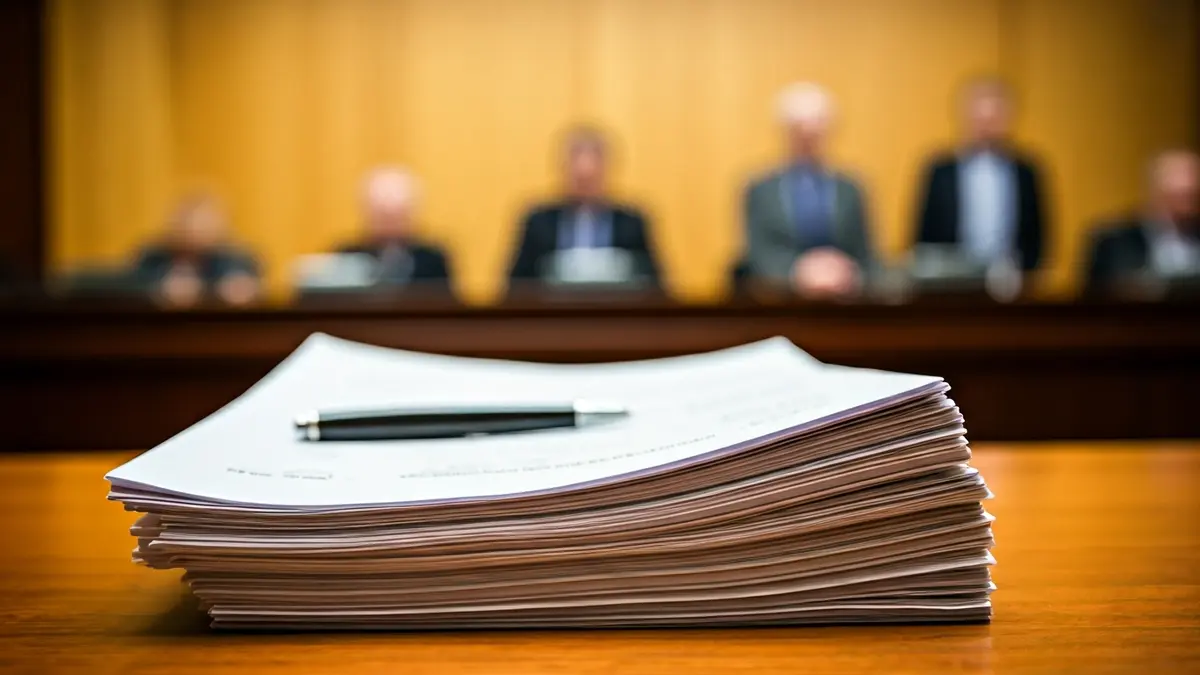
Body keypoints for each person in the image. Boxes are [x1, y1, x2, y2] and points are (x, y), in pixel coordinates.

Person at [743, 82, 873, 299]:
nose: (808, 137)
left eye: (816, 130)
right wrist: (799, 273)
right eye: (800, 130)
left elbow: (867, 253)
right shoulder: (761, 189)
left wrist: (846, 272)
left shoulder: (850, 188)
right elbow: (758, 253)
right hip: (781, 300)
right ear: (786, 132)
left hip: (846, 299)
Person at [913, 77, 1047, 273]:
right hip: (950, 281)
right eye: (979, 119)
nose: (986, 127)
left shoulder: (1025, 171)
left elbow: (1038, 233)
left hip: (1012, 280)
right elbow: (923, 234)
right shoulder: (941, 170)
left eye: (993, 119)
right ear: (965, 118)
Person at [508, 126, 660, 285]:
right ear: (564, 171)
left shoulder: (632, 223)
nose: (585, 186)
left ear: (605, 172)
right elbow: (516, 286)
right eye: (579, 179)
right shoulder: (539, 222)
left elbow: (655, 286)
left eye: (591, 179)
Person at [1085, 150, 1200, 294]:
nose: (1188, 205)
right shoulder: (1113, 242)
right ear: (1156, 192)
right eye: (1181, 196)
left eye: (1193, 195)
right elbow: (1093, 299)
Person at [132, 195, 261, 307]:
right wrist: (158, 288)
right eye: (187, 219)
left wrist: (230, 288)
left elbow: (251, 283)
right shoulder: (153, 256)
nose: (193, 228)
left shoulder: (234, 258)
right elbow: (124, 283)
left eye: (204, 220)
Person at [337, 167, 452, 286]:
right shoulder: (349, 257)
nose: (390, 226)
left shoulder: (432, 259)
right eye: (382, 216)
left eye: (397, 217)